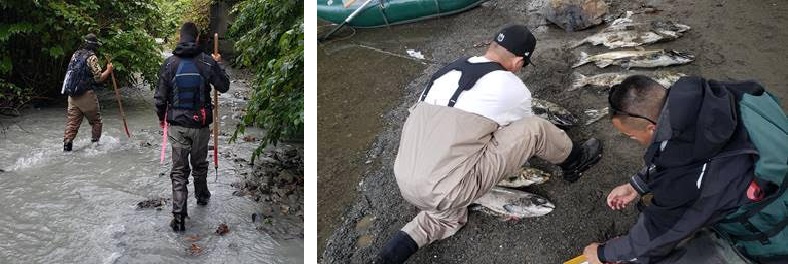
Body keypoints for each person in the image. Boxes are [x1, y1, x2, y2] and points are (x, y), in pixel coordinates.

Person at [375, 25, 603, 263]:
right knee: (535, 129)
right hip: (448, 187)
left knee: (440, 218)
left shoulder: (446, 71)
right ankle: (576, 160)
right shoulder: (510, 85)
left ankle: (387, 258)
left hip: (406, 179)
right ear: (517, 62)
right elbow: (518, 132)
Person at [583, 75, 786, 263]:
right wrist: (637, 184)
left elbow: (657, 234)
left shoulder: (690, 182)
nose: (633, 140)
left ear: (651, 128)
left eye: (630, 136)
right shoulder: (720, 94)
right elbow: (677, 151)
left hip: (771, 235)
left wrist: (602, 253)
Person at [154, 22, 229, 232]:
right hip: (200, 125)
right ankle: (203, 198)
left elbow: (160, 99)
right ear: (196, 39)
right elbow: (224, 86)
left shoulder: (169, 64)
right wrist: (218, 65)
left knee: (178, 172)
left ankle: (179, 218)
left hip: (177, 126)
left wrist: (162, 119)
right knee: (199, 165)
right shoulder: (207, 62)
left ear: (180, 37)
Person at [62, 33, 114, 151]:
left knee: (72, 124)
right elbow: (99, 78)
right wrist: (109, 70)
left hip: (71, 95)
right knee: (96, 122)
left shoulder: (76, 54)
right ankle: (94, 147)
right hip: (85, 94)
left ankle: (67, 148)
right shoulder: (92, 57)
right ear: (94, 46)